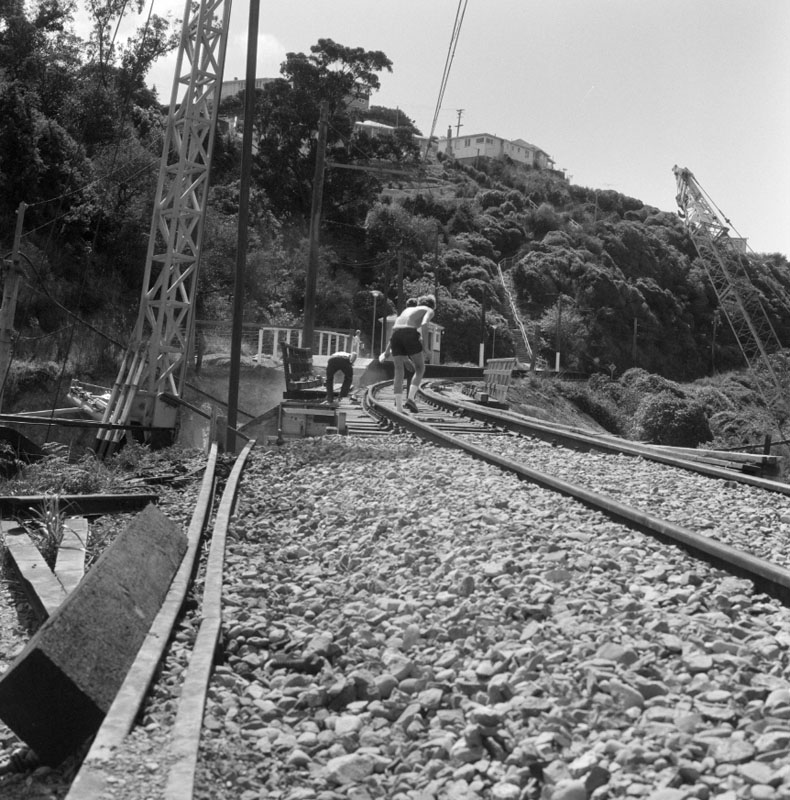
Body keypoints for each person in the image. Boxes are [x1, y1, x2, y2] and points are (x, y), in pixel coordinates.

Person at [387, 294, 435, 413]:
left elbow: (396, 330)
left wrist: (387, 350)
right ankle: (410, 398)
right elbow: (424, 324)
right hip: (409, 333)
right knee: (420, 368)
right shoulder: (429, 310)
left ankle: (399, 407)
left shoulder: (408, 310)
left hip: (396, 335)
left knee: (398, 371)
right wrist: (426, 348)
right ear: (433, 305)